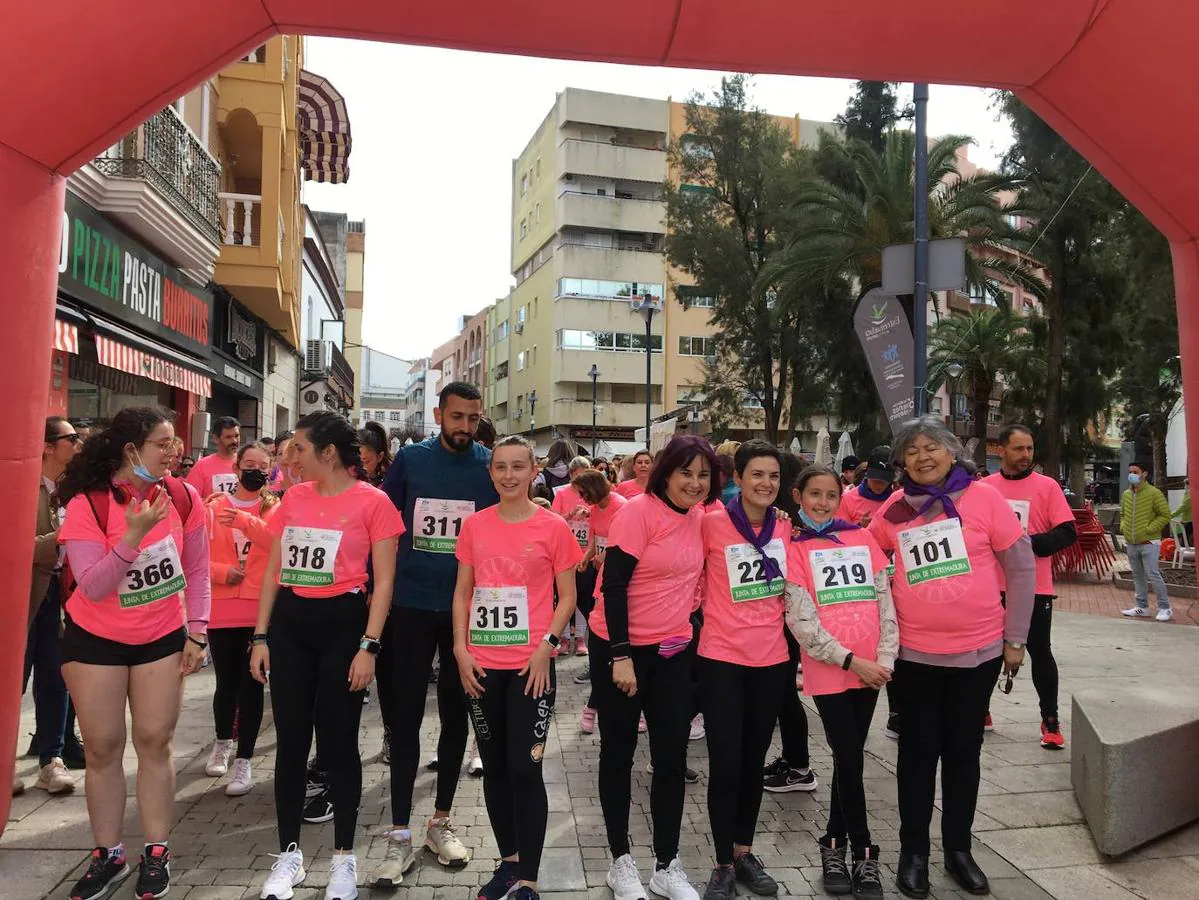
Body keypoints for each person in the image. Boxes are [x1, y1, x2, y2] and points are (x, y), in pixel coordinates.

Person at [868, 416, 1034, 898]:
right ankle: (913, 853)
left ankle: (959, 850)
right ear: (903, 461)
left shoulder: (984, 497)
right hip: (914, 658)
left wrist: (1016, 639)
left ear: (951, 450)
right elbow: (868, 558)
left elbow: (1021, 567)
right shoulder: (895, 510)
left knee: (964, 754)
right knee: (917, 756)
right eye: (912, 450)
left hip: (978, 654)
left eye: (931, 447)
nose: (923, 457)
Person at [57, 406, 210, 900]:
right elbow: (94, 586)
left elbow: (199, 570)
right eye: (163, 444)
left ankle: (157, 851)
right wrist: (132, 536)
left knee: (153, 742)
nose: (174, 452)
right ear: (131, 450)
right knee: (101, 748)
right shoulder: (89, 504)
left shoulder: (184, 498)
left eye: (174, 444)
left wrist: (198, 631)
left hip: (161, 637)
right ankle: (108, 855)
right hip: (94, 639)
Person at [251, 411, 404, 900]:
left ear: (328, 453)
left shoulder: (374, 503)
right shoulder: (293, 498)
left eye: (297, 448)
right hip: (292, 627)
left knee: (338, 745)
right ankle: (289, 856)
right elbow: (275, 568)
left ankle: (344, 859)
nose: (288, 457)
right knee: (292, 742)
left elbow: (384, 583)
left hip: (344, 627)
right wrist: (260, 636)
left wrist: (369, 646)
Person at [374, 381, 500, 887]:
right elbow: (385, 525)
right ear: (438, 414)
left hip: (463, 613)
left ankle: (440, 820)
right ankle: (400, 832)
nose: (464, 428)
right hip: (408, 605)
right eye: (456, 417)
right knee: (404, 720)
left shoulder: (488, 464)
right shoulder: (410, 461)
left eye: (473, 418)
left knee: (456, 717)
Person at [451, 436, 583, 900]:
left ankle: (529, 876)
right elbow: (463, 592)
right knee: (496, 769)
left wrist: (547, 646)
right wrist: (460, 649)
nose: (508, 475)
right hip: (481, 668)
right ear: (491, 473)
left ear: (534, 471)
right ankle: (509, 863)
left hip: (531, 668)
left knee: (525, 771)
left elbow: (567, 597)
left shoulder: (553, 528)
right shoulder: (474, 526)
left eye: (518, 467)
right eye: (500, 467)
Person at [590, 435, 718, 900]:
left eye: (704, 475)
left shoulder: (701, 516)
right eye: (686, 472)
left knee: (671, 757)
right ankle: (620, 861)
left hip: (672, 652)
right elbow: (615, 586)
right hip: (620, 649)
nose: (695, 483)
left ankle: (667, 864)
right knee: (618, 755)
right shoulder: (637, 512)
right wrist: (621, 654)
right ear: (665, 471)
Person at [785, 464, 897, 900]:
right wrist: (853, 661)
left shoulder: (862, 537)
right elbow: (802, 622)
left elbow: (884, 597)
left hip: (871, 669)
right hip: (831, 669)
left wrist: (884, 658)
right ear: (799, 496)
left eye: (831, 495)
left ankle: (833, 840)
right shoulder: (793, 548)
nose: (823, 503)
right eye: (815, 494)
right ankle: (865, 850)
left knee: (850, 758)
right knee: (848, 756)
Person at [697, 440, 792, 899]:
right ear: (738, 477)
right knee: (727, 763)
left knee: (753, 763)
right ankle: (719, 863)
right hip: (721, 660)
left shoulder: (785, 528)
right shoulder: (711, 523)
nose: (766, 484)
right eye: (757, 474)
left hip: (771, 661)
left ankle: (743, 851)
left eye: (773, 476)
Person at [982, 426, 1078, 747]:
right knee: (986, 654)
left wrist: (1027, 545)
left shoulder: (1047, 487)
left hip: (1035, 587)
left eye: (1030, 449)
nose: (1026, 456)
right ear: (1000, 450)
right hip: (990, 587)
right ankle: (981, 711)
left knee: (1041, 653)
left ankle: (1050, 721)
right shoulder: (984, 488)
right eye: (1019, 449)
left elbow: (1067, 532)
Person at [203, 442, 279, 796]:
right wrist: (220, 571)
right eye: (249, 464)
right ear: (236, 468)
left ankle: (244, 760)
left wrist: (249, 522)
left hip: (257, 608)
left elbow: (278, 546)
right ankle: (222, 741)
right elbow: (195, 555)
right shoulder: (214, 506)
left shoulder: (273, 507)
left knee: (253, 685)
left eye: (263, 466)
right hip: (221, 608)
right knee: (225, 683)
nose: (256, 471)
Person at [20, 417, 82, 798]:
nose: (77, 444)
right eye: (71, 438)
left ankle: (52, 760)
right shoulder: (22, 488)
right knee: (15, 679)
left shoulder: (69, 490)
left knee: (56, 678)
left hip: (60, 596)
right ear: (46, 446)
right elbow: (18, 545)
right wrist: (62, 535)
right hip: (27, 593)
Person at [761, 452, 816, 794]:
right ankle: (794, 761)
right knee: (782, 696)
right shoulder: (780, 520)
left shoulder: (791, 525)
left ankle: (799, 767)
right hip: (779, 619)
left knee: (784, 696)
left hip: (787, 619)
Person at [572, 470, 629, 731]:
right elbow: (596, 539)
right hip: (601, 578)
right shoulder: (596, 509)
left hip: (619, 578)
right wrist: (586, 557)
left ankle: (599, 704)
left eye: (584, 493)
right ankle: (594, 702)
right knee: (599, 638)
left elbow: (625, 546)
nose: (582, 499)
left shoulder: (622, 507)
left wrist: (604, 558)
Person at [1119, 461, 1174, 621]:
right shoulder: (1126, 494)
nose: (1132, 475)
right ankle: (1142, 607)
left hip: (1149, 542)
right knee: (1138, 576)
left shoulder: (1154, 493)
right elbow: (1122, 514)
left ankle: (1165, 607)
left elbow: (1165, 514)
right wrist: (1124, 527)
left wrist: (1149, 530)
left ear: (1144, 474)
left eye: (1135, 472)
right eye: (1130, 472)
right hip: (1132, 542)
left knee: (1153, 574)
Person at [839, 447, 895, 528]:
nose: (878, 485)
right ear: (867, 473)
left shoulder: (898, 500)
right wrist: (860, 527)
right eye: (875, 480)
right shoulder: (846, 500)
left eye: (883, 481)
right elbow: (840, 535)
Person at [187, 417, 241, 497]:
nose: (234, 441)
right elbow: (191, 499)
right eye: (228, 437)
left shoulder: (248, 463)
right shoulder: (202, 465)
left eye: (237, 436)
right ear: (215, 439)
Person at [358, 422, 392, 486]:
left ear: (379, 457)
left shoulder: (388, 482)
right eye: (356, 462)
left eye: (366, 462)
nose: (361, 467)